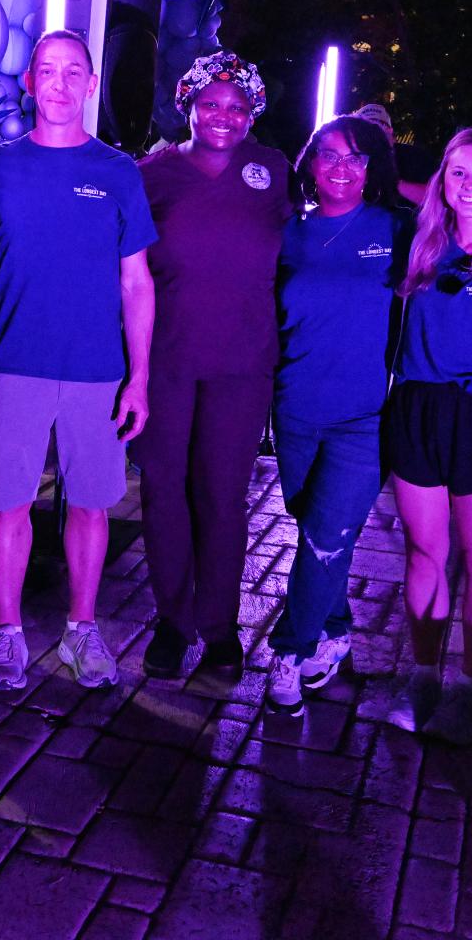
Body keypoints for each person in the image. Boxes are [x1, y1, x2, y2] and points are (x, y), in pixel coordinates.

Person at [0, 30, 156, 691]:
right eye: (45, 70)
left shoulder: (116, 172)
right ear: (29, 83)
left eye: (71, 70)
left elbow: (137, 281)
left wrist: (139, 376)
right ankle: (7, 635)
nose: (57, 82)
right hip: (12, 366)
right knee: (10, 504)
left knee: (90, 504)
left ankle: (82, 628)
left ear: (90, 84)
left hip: (97, 372)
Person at [135, 51, 291, 678]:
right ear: (188, 105)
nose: (223, 115)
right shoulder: (152, 174)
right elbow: (126, 271)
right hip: (166, 361)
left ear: (252, 113)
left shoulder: (273, 169)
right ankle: (173, 623)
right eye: (211, 102)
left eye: (237, 105)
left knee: (224, 497)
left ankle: (220, 628)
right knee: (164, 494)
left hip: (242, 364)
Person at [383, 129, 472, 744]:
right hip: (416, 409)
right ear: (442, 180)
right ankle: (422, 675)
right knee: (423, 552)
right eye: (458, 173)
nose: (470, 186)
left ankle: (469, 687)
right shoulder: (419, 243)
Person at [263, 115, 404, 717]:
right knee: (317, 531)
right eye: (328, 156)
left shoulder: (397, 230)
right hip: (295, 409)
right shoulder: (286, 234)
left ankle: (288, 653)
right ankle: (337, 632)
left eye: (354, 158)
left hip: (364, 418)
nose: (341, 168)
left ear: (372, 169)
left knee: (325, 534)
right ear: (310, 166)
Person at [353, 102, 435, 205]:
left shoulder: (414, 156)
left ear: (389, 130)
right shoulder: (351, 158)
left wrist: (392, 180)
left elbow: (436, 199)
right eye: (363, 129)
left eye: (376, 126)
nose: (371, 133)